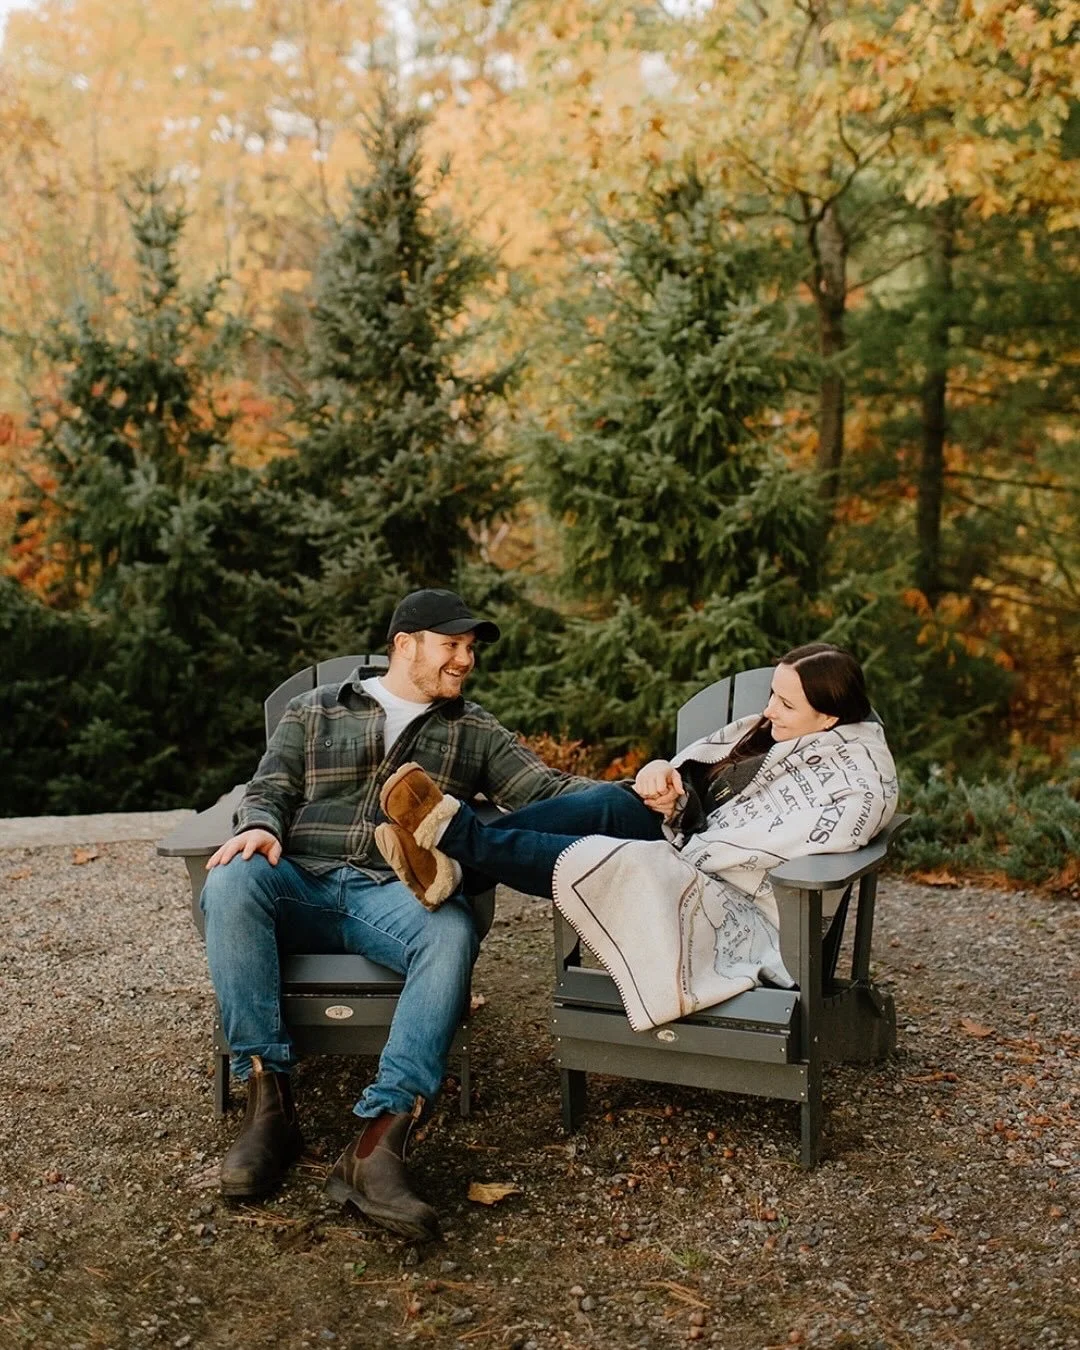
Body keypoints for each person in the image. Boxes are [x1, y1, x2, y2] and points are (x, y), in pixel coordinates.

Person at [199, 588, 650, 1241]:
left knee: (451, 929)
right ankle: (268, 1104)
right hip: (300, 878)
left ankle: (379, 1142)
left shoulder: (471, 728)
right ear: (405, 645)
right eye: (453, 645)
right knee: (231, 879)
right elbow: (270, 784)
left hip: (394, 893)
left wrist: (638, 793)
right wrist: (262, 826)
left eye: (471, 648)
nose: (465, 659)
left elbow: (549, 792)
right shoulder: (317, 708)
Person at [375, 644, 899, 1030]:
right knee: (611, 801)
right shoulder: (774, 732)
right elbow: (705, 784)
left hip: (731, 894)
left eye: (785, 704)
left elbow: (761, 843)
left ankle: (455, 842)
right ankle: (455, 864)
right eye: (771, 695)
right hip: (685, 835)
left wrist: (686, 831)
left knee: (611, 857)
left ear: (828, 716)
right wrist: (666, 784)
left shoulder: (854, 781)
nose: (767, 710)